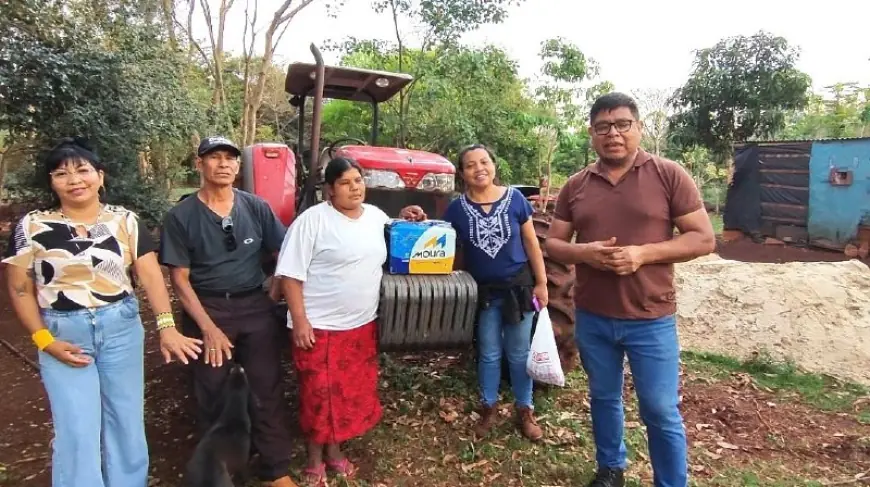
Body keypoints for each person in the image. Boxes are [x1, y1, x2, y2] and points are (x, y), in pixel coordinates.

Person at [3, 137, 203, 487]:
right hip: (63, 335)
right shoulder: (31, 226)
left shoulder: (125, 221)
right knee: (76, 429)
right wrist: (44, 340)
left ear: (100, 175)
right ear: (51, 182)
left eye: (82, 170)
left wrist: (166, 326)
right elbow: (20, 288)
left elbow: (150, 275)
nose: (74, 180)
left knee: (126, 421)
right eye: (61, 173)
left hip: (120, 329)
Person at [545, 92, 716, 487]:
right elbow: (554, 243)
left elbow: (703, 238)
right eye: (603, 127)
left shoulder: (669, 175)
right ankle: (610, 468)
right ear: (592, 133)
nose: (614, 134)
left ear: (639, 128)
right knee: (604, 397)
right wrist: (584, 253)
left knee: (659, 409)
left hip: (650, 316)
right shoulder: (576, 185)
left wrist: (643, 254)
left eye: (623, 124)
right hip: (593, 316)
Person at [159, 135, 296, 487]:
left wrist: (274, 293)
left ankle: (275, 470)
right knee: (213, 393)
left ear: (238, 166)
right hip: (207, 306)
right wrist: (208, 328)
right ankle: (220, 472)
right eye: (214, 157)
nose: (223, 164)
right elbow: (180, 281)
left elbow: (285, 252)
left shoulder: (255, 207)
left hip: (254, 304)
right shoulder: (181, 216)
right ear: (199, 164)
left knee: (266, 387)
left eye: (230, 158)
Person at [274, 157, 420, 487]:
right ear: (329, 190)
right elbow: (290, 276)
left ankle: (335, 451)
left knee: (345, 395)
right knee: (318, 396)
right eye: (345, 183)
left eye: (358, 180)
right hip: (319, 327)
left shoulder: (376, 217)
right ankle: (314, 459)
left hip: (360, 326)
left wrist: (407, 216)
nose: (354, 188)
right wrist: (300, 321)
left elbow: (397, 237)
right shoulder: (312, 221)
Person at [439, 143, 548, 442]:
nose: (479, 169)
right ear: (462, 173)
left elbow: (532, 243)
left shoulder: (515, 199)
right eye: (470, 165)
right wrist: (417, 218)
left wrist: (542, 283)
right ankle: (488, 407)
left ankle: (525, 409)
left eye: (484, 162)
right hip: (484, 294)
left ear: (494, 165)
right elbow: (439, 237)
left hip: (519, 289)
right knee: (488, 353)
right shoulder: (457, 209)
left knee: (519, 353)